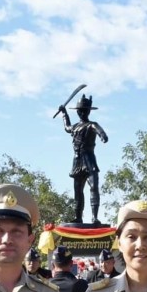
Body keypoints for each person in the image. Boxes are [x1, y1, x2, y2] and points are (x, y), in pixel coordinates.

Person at [58, 94, 109, 225]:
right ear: (78, 112)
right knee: (78, 191)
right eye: (80, 111)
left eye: (84, 110)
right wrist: (64, 114)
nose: (82, 113)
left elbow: (100, 131)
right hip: (77, 160)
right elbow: (67, 127)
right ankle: (78, 216)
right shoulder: (75, 127)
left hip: (89, 159)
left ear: (88, 111)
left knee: (94, 187)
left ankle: (94, 217)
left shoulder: (92, 125)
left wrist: (103, 136)